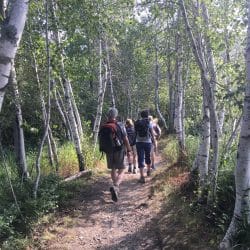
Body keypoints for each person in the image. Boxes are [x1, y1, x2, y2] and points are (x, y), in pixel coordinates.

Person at [100, 107, 131, 202]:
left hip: (108, 150)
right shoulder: (120, 125)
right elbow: (125, 138)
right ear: (115, 115)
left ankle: (115, 187)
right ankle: (116, 186)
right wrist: (129, 149)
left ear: (108, 115)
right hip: (119, 149)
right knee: (122, 169)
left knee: (113, 168)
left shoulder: (104, 126)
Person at [134, 110, 156, 184]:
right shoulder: (149, 122)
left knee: (140, 158)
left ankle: (142, 177)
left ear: (141, 115)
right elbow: (152, 134)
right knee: (147, 156)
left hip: (138, 142)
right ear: (147, 115)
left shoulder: (137, 123)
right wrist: (155, 143)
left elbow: (135, 133)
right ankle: (149, 171)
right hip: (148, 142)